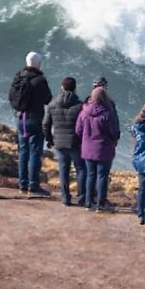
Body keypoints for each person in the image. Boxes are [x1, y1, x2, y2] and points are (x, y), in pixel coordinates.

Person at [9, 51, 52, 196]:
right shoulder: (40, 80)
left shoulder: (18, 76)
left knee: (23, 152)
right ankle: (33, 185)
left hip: (21, 118)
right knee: (34, 153)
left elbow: (11, 96)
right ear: (38, 63)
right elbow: (48, 99)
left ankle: (22, 185)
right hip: (34, 118)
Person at [74, 87, 120, 212]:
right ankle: (100, 203)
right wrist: (112, 139)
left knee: (90, 175)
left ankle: (88, 202)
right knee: (102, 176)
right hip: (103, 150)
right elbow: (114, 132)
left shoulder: (84, 112)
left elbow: (78, 130)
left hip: (88, 149)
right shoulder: (107, 113)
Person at [43, 77, 83, 206]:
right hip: (75, 142)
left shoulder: (52, 104)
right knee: (81, 170)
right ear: (75, 88)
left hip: (59, 142)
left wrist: (49, 139)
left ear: (62, 87)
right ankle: (82, 198)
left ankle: (66, 198)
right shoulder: (80, 106)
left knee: (63, 170)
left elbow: (45, 124)